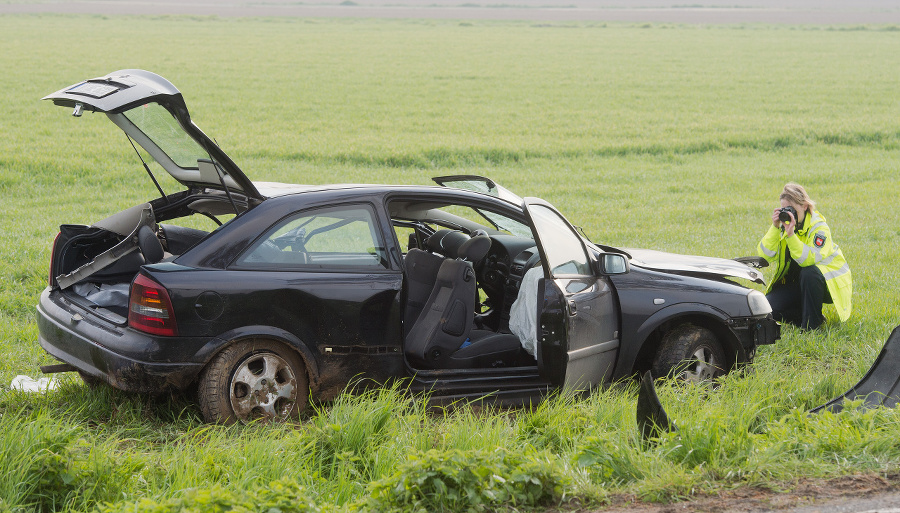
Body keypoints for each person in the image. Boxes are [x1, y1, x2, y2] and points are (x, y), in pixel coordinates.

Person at [757, 183, 852, 330]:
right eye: (785, 209)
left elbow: (807, 260)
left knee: (809, 273)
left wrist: (791, 235)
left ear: (805, 206)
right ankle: (808, 316)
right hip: (796, 282)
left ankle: (811, 326)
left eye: (793, 209)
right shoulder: (784, 226)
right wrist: (775, 227)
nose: (789, 214)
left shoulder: (819, 228)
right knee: (767, 311)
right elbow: (764, 256)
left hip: (827, 284)